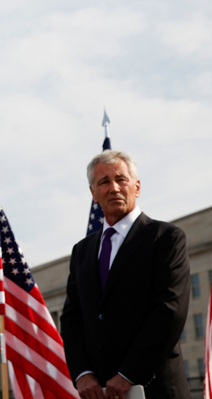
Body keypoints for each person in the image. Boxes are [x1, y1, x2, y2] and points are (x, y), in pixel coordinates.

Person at [60, 150, 190, 399]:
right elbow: (72, 319)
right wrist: (83, 374)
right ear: (93, 193)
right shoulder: (82, 251)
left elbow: (169, 310)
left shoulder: (165, 238)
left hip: (155, 389)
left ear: (137, 187)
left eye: (121, 179)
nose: (114, 188)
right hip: (99, 392)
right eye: (104, 182)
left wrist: (129, 374)